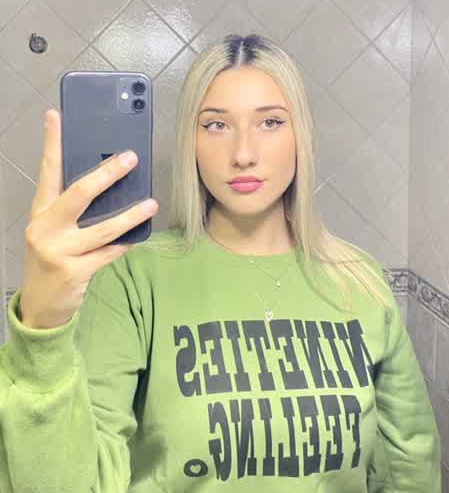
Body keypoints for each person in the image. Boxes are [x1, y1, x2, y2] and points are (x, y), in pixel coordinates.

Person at [0, 33, 442, 492]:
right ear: (190, 142)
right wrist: (43, 327)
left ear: (301, 136)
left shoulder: (359, 280)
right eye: (215, 125)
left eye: (270, 122)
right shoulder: (133, 277)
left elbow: (411, 467)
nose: (243, 154)